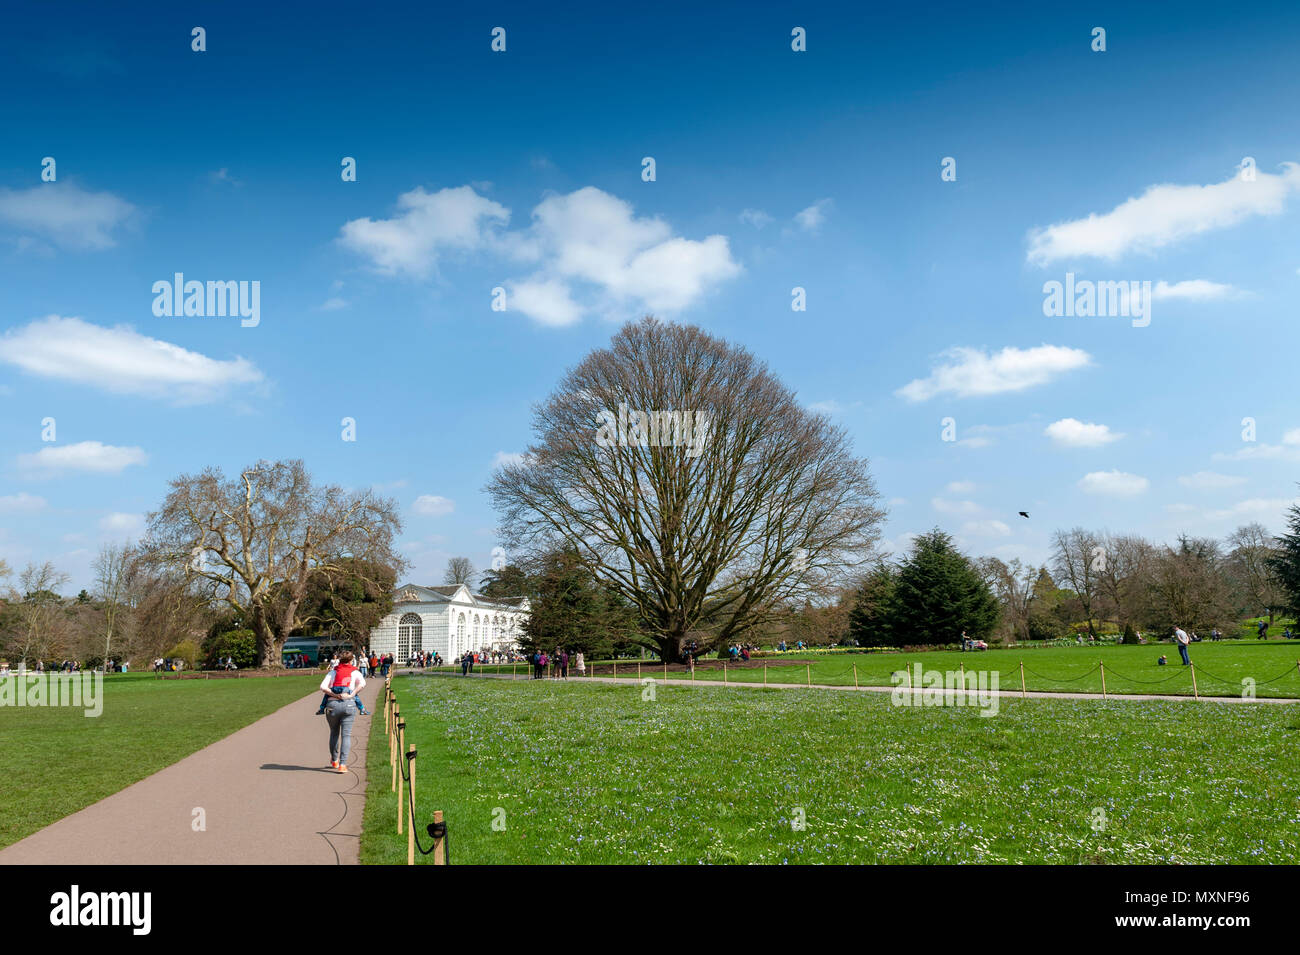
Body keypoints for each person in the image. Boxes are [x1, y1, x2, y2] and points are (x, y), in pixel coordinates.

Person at [320, 650, 366, 773]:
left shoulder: (333, 672)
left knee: (334, 733)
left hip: (332, 704)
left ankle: (334, 760)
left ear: (339, 660)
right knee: (346, 735)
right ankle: (343, 764)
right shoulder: (355, 672)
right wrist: (353, 693)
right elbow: (362, 683)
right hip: (349, 704)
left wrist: (334, 694)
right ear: (351, 660)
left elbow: (323, 687)